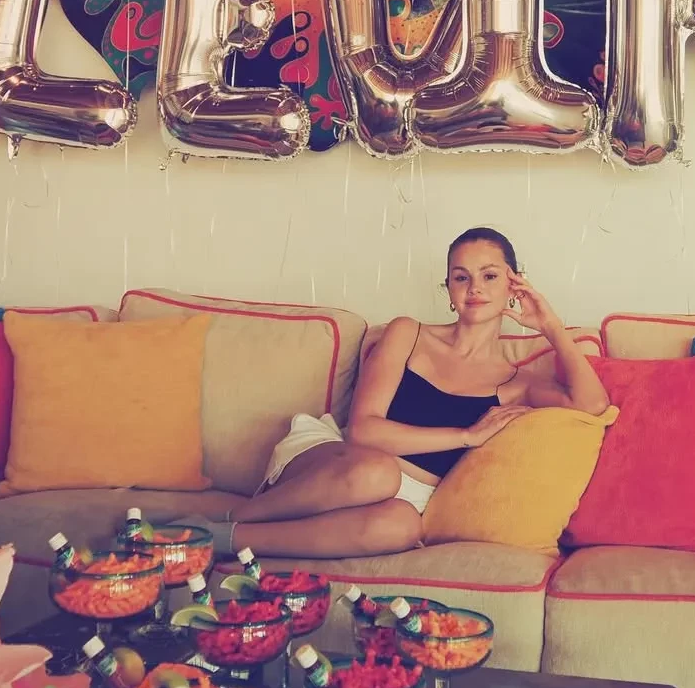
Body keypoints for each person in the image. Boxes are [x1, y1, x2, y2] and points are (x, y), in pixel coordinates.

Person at [190, 227, 609, 559]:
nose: (474, 288)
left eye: (489, 276)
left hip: (409, 497)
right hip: (340, 465)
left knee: (403, 527)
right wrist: (465, 437)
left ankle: (225, 540)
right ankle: (223, 520)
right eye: (461, 277)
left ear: (514, 286)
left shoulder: (518, 383)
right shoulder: (409, 333)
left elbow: (593, 406)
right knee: (378, 472)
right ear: (448, 289)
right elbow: (363, 432)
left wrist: (551, 326)